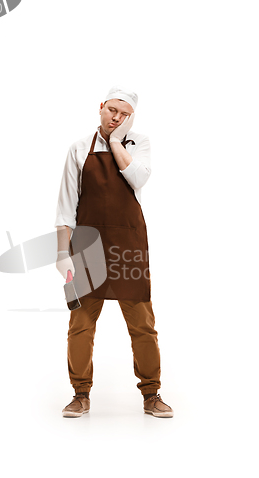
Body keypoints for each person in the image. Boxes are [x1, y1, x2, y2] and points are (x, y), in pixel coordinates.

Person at [54, 85, 173, 418]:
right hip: (87, 247)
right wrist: (62, 253)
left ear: (131, 118)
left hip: (128, 246)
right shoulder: (79, 149)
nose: (116, 118)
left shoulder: (140, 143)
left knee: (143, 324)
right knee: (80, 324)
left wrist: (118, 141)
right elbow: (66, 206)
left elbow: (138, 180)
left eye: (125, 115)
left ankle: (152, 394)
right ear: (101, 107)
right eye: (112, 111)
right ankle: (80, 394)